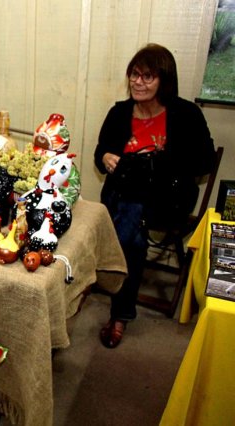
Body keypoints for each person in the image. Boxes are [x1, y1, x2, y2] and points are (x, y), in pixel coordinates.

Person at [94, 43, 215, 349]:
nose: (138, 82)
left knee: (127, 225)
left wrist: (158, 162)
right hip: (124, 195)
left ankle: (115, 303)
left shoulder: (186, 114)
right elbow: (100, 153)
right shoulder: (120, 113)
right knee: (131, 229)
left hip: (167, 198)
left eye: (147, 76)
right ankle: (121, 308)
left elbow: (204, 161)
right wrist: (106, 157)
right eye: (134, 74)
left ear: (164, 80)